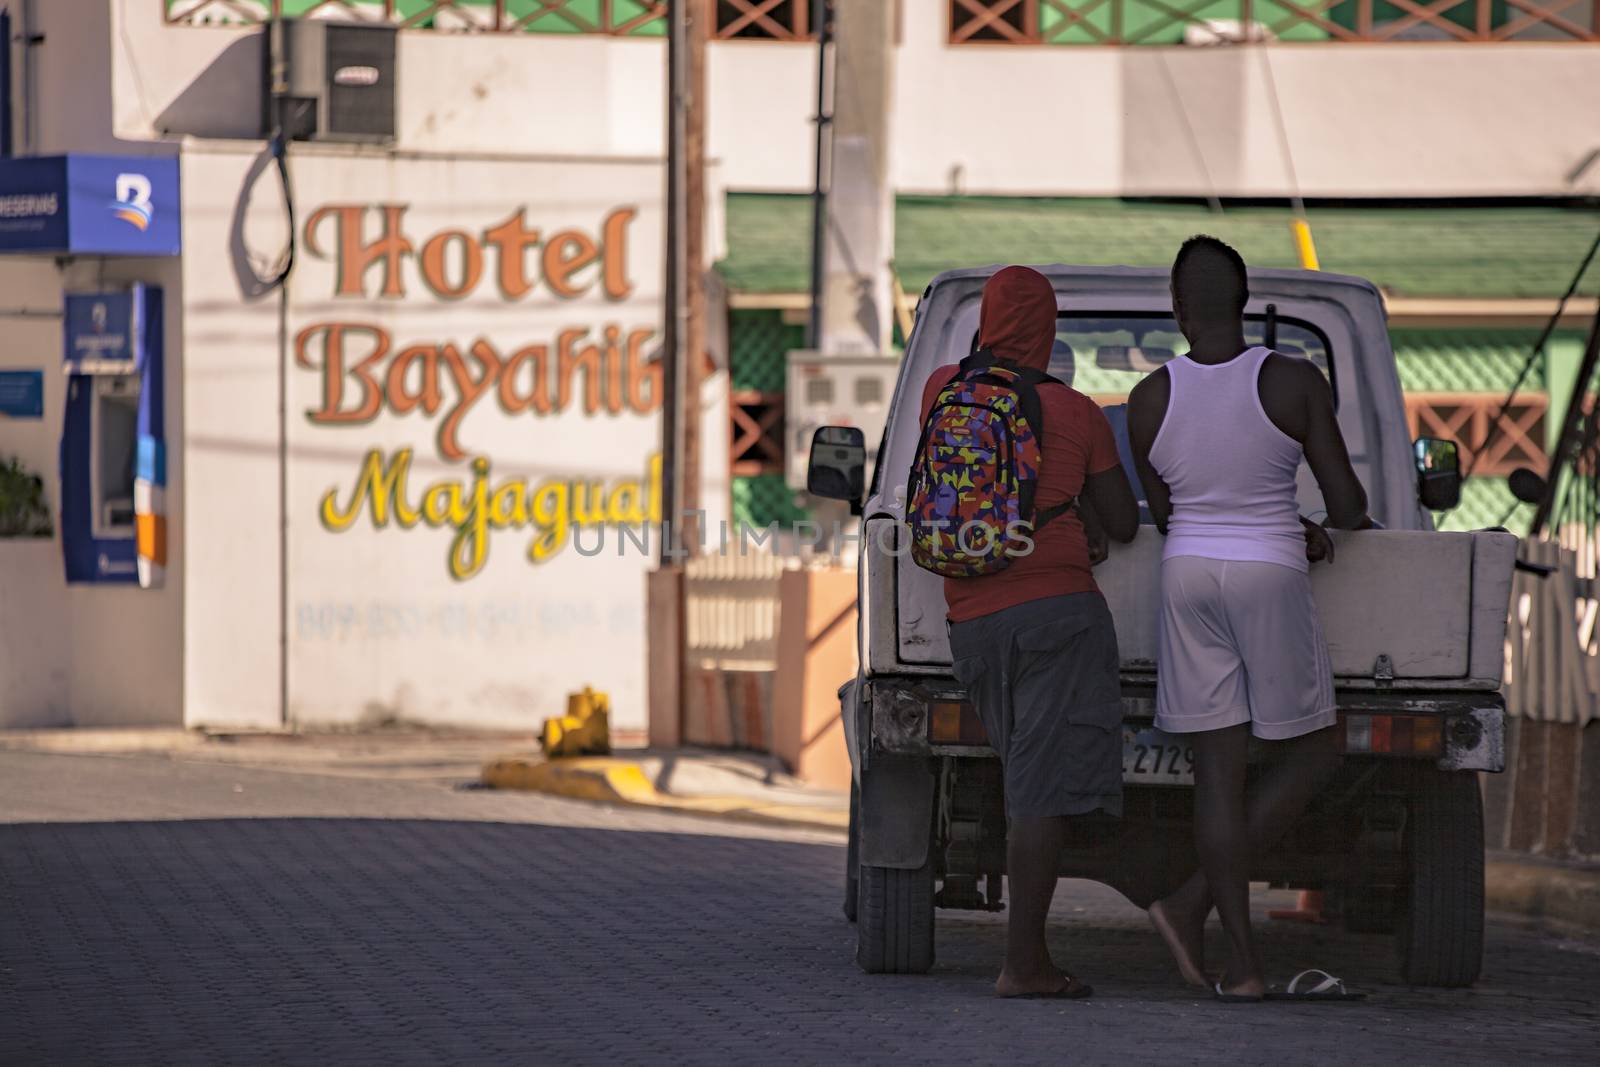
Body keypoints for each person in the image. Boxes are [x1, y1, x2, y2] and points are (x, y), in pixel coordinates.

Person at [1126, 235, 1372, 1001]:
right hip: (1270, 572)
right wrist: (1304, 523)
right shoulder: (1293, 380)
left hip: (1188, 577)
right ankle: (1199, 912)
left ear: (1176, 310)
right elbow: (1349, 507)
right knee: (1316, 746)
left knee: (1217, 778)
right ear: (1245, 302)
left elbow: (1169, 515)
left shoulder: (1148, 399)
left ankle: (1241, 961)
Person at [918, 265, 1139, 999]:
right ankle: (1024, 964)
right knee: (1040, 793)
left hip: (970, 617)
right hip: (1057, 617)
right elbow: (1125, 521)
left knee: (1025, 776)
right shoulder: (1075, 411)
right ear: (1049, 332)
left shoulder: (942, 391)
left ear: (984, 322)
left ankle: (1030, 953)